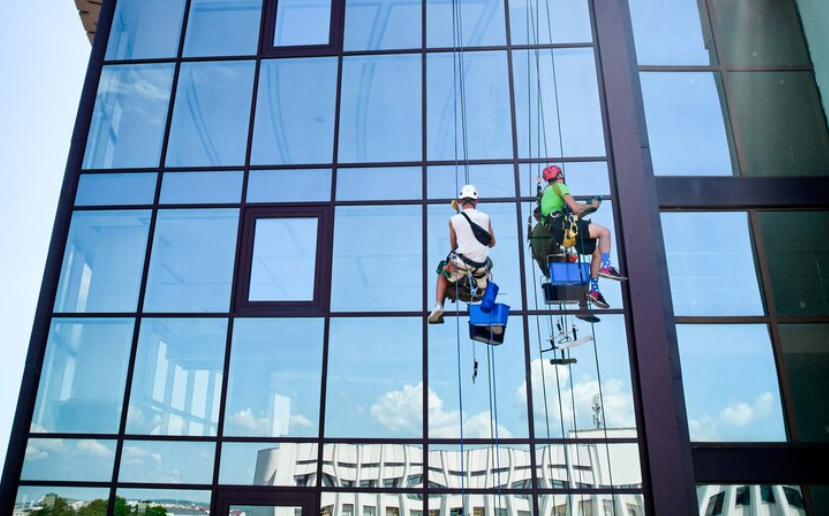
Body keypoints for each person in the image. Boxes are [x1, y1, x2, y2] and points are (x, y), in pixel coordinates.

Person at [539, 165, 626, 308]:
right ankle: (607, 267)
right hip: (565, 226)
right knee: (605, 232)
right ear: (559, 175)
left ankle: (594, 291)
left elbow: (576, 212)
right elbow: (576, 209)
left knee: (597, 253)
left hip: (560, 232)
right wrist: (591, 204)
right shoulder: (560, 187)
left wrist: (589, 207)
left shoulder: (547, 196)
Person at [429, 184, 496, 323]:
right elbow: (492, 243)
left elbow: (453, 246)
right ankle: (489, 307)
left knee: (442, 274)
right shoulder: (486, 217)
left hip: (460, 266)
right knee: (489, 279)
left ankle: (438, 305)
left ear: (460, 202)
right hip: (480, 269)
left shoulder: (454, 220)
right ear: (476, 200)